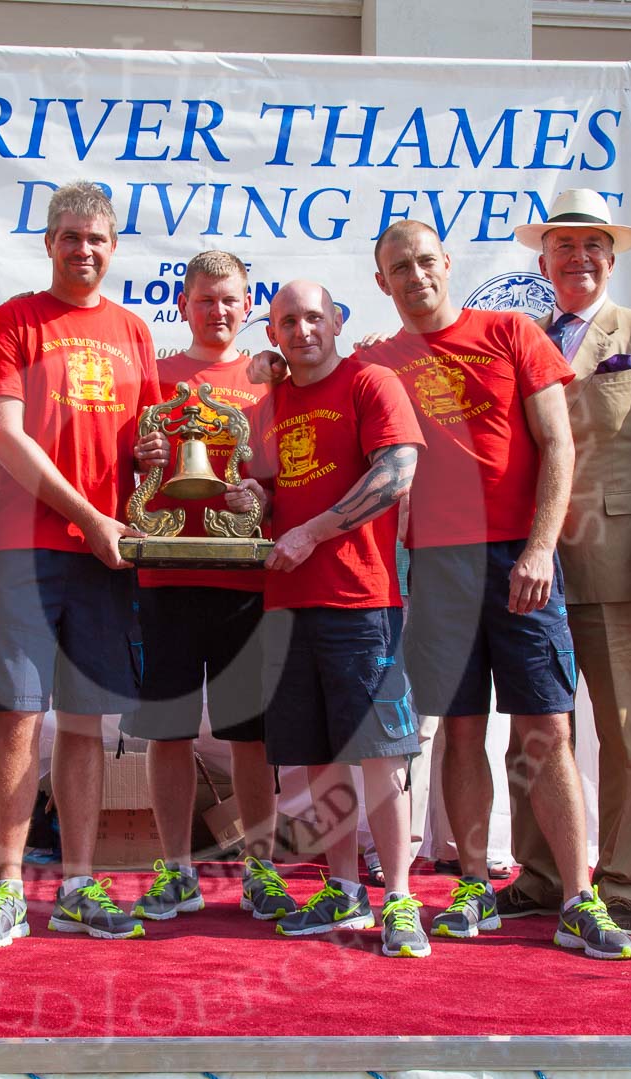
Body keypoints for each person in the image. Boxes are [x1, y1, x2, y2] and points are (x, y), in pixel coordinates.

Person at [358, 220, 631, 961]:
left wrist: (541, 547)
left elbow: (558, 445)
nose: (415, 276)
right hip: (435, 568)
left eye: (425, 261)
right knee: (460, 730)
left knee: (548, 731)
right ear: (382, 283)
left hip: (520, 559)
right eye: (398, 268)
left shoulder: (511, 332)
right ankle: (474, 883)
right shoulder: (377, 365)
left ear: (446, 264)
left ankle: (580, 896)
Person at [499, 190, 631, 936]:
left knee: (622, 733)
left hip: (620, 568)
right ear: (544, 260)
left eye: (593, 246)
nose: (578, 258)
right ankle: (542, 869)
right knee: (536, 730)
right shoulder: (520, 338)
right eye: (564, 246)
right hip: (537, 567)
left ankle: (619, 878)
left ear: (612, 260)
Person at [0, 181, 163, 945]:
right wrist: (87, 511)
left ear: (114, 248)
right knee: (19, 713)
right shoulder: (14, 321)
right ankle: (9, 884)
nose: (85, 250)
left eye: (98, 239)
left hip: (106, 554)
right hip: (30, 547)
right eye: (71, 236)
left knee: (84, 722)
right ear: (49, 243)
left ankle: (79, 884)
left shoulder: (133, 330)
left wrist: (147, 464)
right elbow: (4, 437)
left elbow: (146, 442)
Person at [226, 280, 427, 958]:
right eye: (288, 320)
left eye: (314, 316)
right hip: (286, 603)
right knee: (314, 759)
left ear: (337, 321)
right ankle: (343, 884)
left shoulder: (371, 384)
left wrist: (311, 531)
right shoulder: (267, 408)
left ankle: (398, 895)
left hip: (359, 599)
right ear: (273, 333)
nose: (302, 328)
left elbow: (396, 472)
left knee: (377, 753)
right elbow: (273, 490)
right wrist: (252, 493)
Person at [122, 251, 294, 924]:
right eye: (205, 300)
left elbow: (295, 467)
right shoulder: (155, 377)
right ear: (184, 303)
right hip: (164, 572)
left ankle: (260, 870)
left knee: (250, 736)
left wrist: (266, 490)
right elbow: (127, 464)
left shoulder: (270, 378)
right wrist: (145, 462)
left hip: (243, 578)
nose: (218, 312)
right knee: (166, 733)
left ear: (248, 305)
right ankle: (177, 870)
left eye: (230, 301)